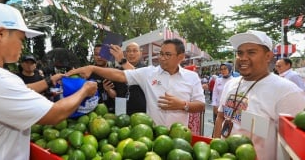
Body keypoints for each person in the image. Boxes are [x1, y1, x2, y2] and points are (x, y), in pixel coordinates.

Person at [0, 2, 97, 159]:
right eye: (21, 39)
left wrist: (49, 81)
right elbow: (55, 114)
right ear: (0, 34)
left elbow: (21, 90)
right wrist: (85, 90)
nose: (22, 46)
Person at [67, 38, 206, 128]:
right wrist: (92, 68)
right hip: (151, 136)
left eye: (167, 55)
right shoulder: (149, 73)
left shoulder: (192, 77)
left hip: (179, 137)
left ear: (180, 57)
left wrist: (183, 105)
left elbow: (200, 106)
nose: (162, 58)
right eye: (160, 53)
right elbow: (120, 75)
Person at [212, 30, 305, 159]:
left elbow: (294, 147)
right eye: (240, 53)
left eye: (251, 52)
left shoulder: (287, 91)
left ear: (268, 56)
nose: (243, 58)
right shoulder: (231, 84)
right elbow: (221, 117)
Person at [110, 42, 147, 115]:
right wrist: (108, 89)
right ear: (125, 54)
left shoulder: (147, 70)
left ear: (140, 53)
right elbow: (114, 94)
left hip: (140, 113)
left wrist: (122, 60)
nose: (131, 53)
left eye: (135, 51)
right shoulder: (117, 71)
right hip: (121, 110)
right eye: (128, 51)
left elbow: (136, 74)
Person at [89, 44, 121, 113]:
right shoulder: (88, 73)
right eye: (96, 54)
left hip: (111, 114)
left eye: (102, 54)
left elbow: (118, 97)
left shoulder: (115, 72)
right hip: (92, 113)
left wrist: (109, 90)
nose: (99, 57)